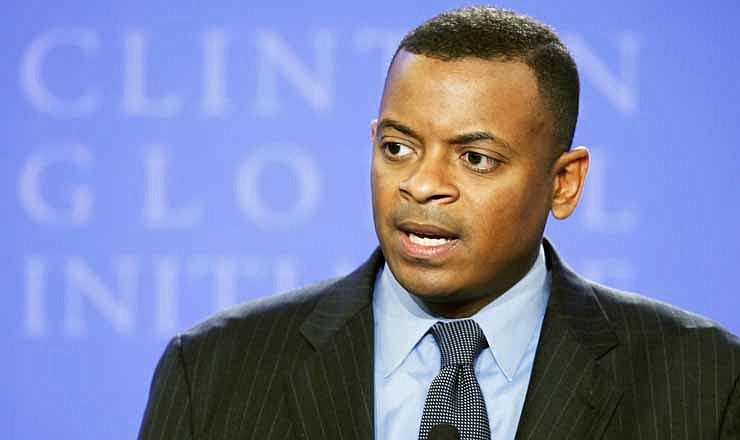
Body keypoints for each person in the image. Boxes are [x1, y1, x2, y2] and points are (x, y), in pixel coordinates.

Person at [137, 7, 740, 440]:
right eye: (398, 148)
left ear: (564, 184)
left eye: (476, 158)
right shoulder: (215, 369)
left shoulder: (704, 380)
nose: (422, 184)